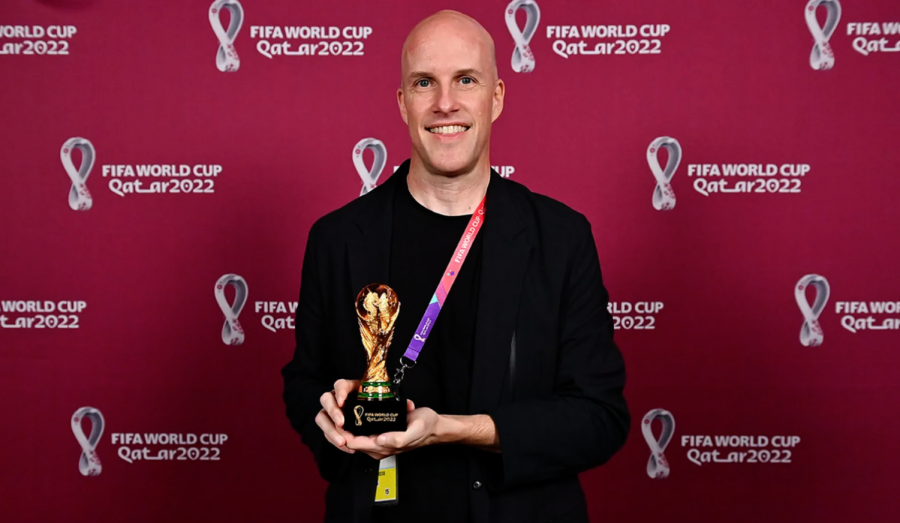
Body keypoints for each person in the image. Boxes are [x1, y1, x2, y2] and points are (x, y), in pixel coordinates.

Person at [281, 10, 629, 523]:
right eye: (425, 83)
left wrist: (453, 428)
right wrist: (331, 417)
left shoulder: (560, 237)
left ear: (497, 97)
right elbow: (303, 385)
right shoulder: (336, 238)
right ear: (403, 103)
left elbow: (599, 418)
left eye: (466, 79)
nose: (446, 103)